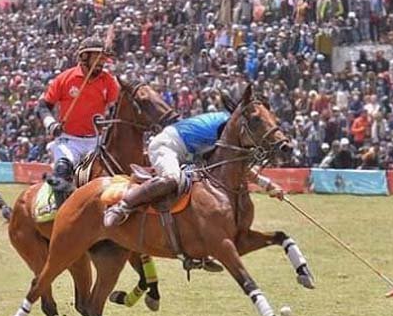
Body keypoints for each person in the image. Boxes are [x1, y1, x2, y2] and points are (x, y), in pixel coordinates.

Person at [104, 92, 284, 228]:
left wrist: (268, 185)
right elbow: (240, 167)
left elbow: (238, 167)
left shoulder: (229, 127)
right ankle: (122, 207)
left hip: (188, 153)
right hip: (167, 145)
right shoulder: (226, 128)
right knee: (172, 178)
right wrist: (267, 185)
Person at [36, 37, 119, 206]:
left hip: (97, 141)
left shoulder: (108, 81)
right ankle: (59, 213)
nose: (101, 63)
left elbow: (115, 108)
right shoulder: (65, 79)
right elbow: (43, 106)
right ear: (84, 57)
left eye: (103, 59)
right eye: (97, 58)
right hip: (69, 140)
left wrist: (109, 119)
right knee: (62, 170)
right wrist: (51, 124)